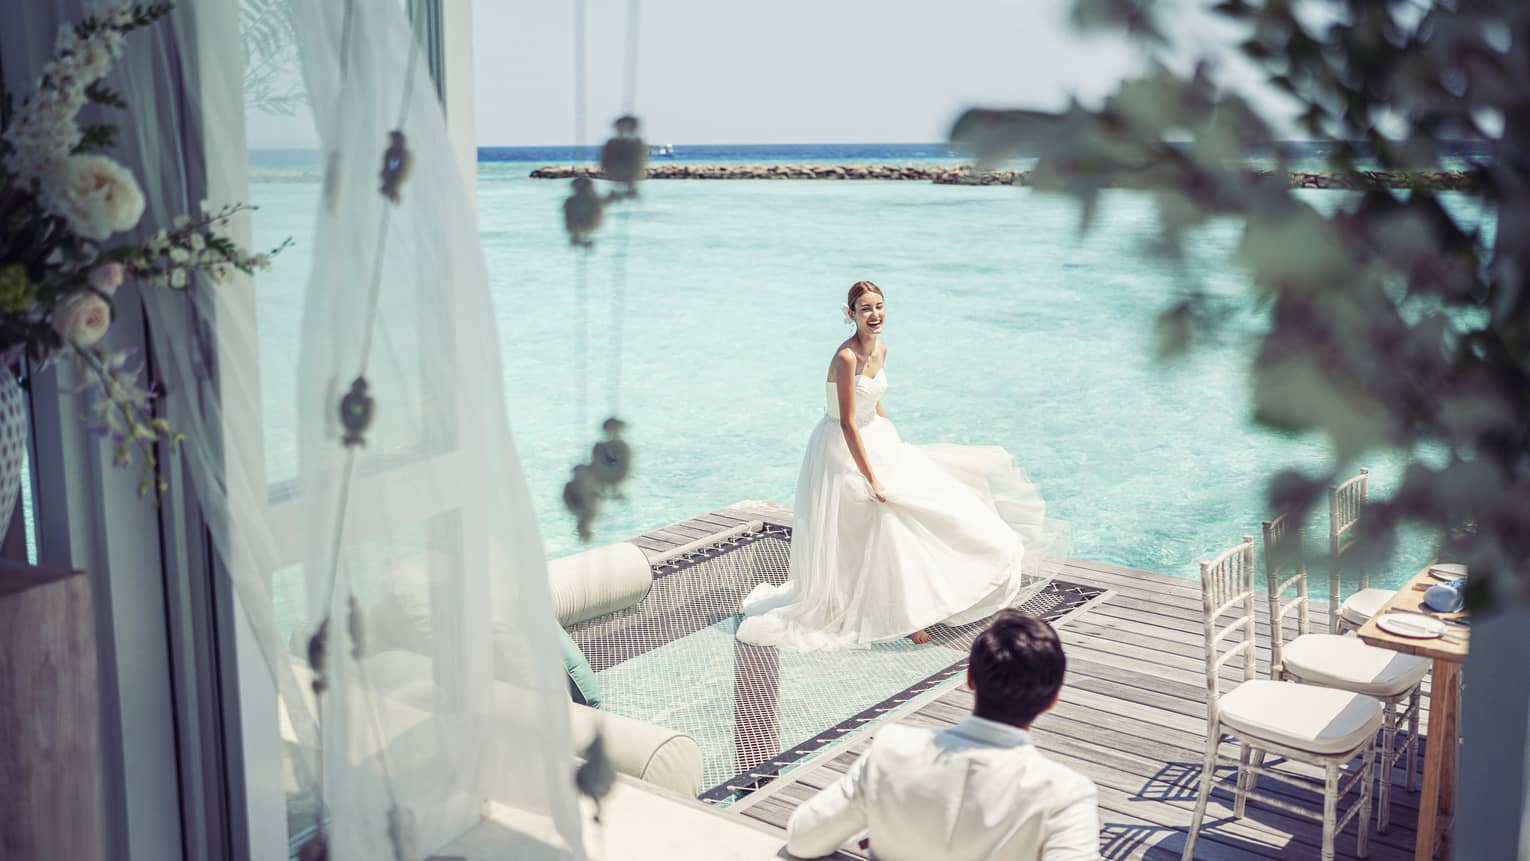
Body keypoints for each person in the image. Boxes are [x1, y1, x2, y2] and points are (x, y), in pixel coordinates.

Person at [736, 280, 1066, 650]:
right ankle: (906, 614)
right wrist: (871, 477)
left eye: (879, 306)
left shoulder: (881, 349)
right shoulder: (845, 358)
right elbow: (847, 422)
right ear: (851, 315)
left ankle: (933, 594)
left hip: (876, 437)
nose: (874, 315)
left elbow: (873, 403)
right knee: (884, 511)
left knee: (938, 503)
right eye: (865, 309)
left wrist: (892, 440)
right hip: (840, 448)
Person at [785, 610, 1099, 861]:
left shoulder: (892, 751)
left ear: (970, 679)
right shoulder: (1064, 794)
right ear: (1052, 699)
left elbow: (803, 839)